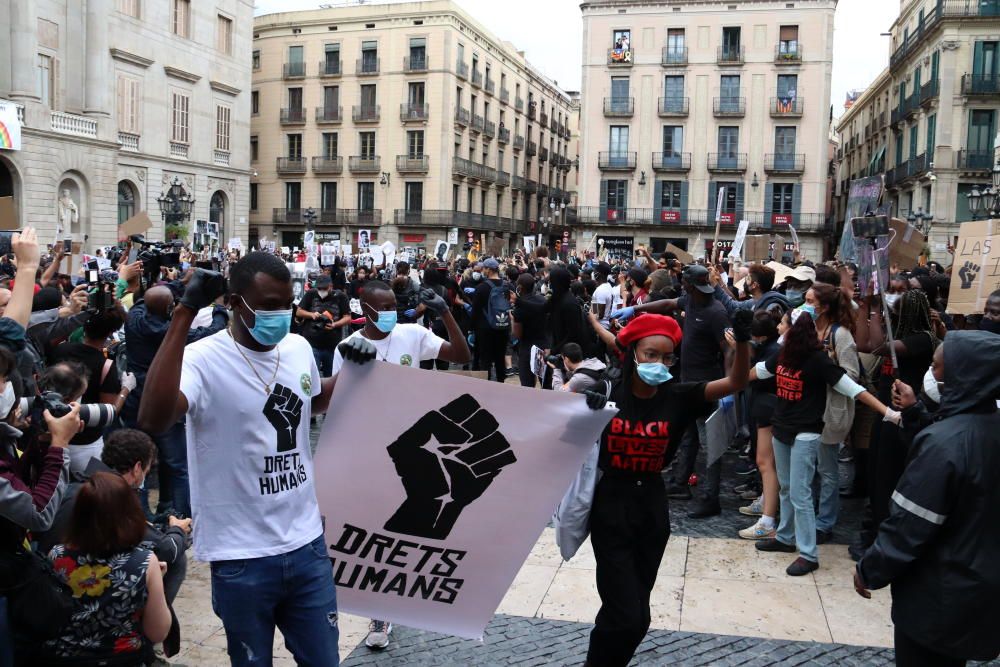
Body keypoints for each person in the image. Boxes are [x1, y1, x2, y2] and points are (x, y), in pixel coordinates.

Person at [138, 256, 378, 667]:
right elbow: (153, 418)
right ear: (234, 302)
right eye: (268, 306)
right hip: (241, 554)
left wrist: (352, 372)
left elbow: (312, 402)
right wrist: (184, 312)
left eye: (288, 304)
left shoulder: (298, 346)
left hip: (306, 545)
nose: (282, 315)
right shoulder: (201, 359)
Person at [581, 310, 752, 666]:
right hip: (611, 506)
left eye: (667, 356)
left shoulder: (679, 396)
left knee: (632, 610)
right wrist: (586, 406)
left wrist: (745, 343)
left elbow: (735, 383)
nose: (660, 362)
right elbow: (560, 424)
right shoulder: (608, 391)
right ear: (633, 355)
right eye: (651, 354)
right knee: (629, 613)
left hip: (652, 509)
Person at [329, 279, 470, 651]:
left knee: (407, 529)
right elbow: (335, 403)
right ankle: (377, 610)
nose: (392, 310)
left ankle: (396, 598)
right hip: (370, 452)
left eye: (394, 303)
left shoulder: (412, 333)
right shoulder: (347, 346)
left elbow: (461, 355)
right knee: (375, 531)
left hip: (415, 451)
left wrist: (444, 311)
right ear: (365, 309)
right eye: (384, 305)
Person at [855, 331, 1000, 667]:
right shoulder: (979, 428)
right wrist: (918, 413)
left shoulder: (944, 443)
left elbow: (910, 524)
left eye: (937, 368)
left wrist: (870, 569)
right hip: (977, 588)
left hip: (937, 597)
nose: (930, 374)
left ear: (962, 376)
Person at [752, 308, 899, 575]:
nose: (780, 330)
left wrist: (887, 412)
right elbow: (757, 372)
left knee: (800, 493)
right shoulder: (781, 356)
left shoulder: (818, 360)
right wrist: (715, 386)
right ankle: (785, 538)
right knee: (786, 487)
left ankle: (808, 554)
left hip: (806, 432)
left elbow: (852, 388)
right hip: (782, 430)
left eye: (785, 325)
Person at [35, 428, 191, 606]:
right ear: (137, 468)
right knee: (170, 560)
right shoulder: (113, 497)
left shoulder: (74, 486)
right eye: (146, 471)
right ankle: (150, 624)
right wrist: (178, 530)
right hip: (76, 588)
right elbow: (167, 549)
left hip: (48, 579)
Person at [34, 472, 171, 666]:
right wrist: (157, 582)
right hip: (124, 660)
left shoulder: (57, 556)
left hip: (66, 659)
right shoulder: (145, 562)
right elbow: (158, 632)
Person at [123, 284, 228, 518]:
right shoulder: (169, 332)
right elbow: (210, 333)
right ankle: (180, 515)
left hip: (134, 399)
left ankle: (140, 516)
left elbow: (149, 300)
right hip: (162, 402)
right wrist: (220, 309)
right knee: (178, 464)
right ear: (170, 308)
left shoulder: (134, 317)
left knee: (136, 460)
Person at [738, 310, 781, 540]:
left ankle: (767, 520)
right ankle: (766, 500)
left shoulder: (774, 351)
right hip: (763, 409)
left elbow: (747, 374)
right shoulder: (770, 348)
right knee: (765, 462)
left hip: (768, 410)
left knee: (766, 463)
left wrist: (739, 349)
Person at [296, 274, 352, 378]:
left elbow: (348, 318)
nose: (321, 291)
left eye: (324, 288)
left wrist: (335, 324)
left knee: (330, 377)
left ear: (331, 286)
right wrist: (311, 315)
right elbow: (299, 312)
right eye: (319, 288)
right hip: (312, 343)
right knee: (313, 376)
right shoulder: (311, 294)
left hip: (332, 345)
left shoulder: (340, 297)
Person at [471, 258, 511, 382]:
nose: (482, 270)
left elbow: (475, 311)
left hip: (485, 329)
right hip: (503, 326)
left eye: (484, 268)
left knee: (485, 360)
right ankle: (500, 383)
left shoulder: (481, 287)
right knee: (500, 358)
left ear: (488, 270)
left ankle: (486, 386)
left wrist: (472, 330)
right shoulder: (507, 285)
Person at [511, 273, 548, 388]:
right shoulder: (543, 300)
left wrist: (512, 319)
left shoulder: (519, 309)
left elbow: (517, 334)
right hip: (544, 346)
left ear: (520, 287)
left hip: (527, 348)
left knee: (527, 385)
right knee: (546, 383)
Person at [711, 264, 789, 316]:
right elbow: (732, 306)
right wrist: (716, 283)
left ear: (754, 285)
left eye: (748, 278)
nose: (745, 281)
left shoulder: (771, 307)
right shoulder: (755, 301)